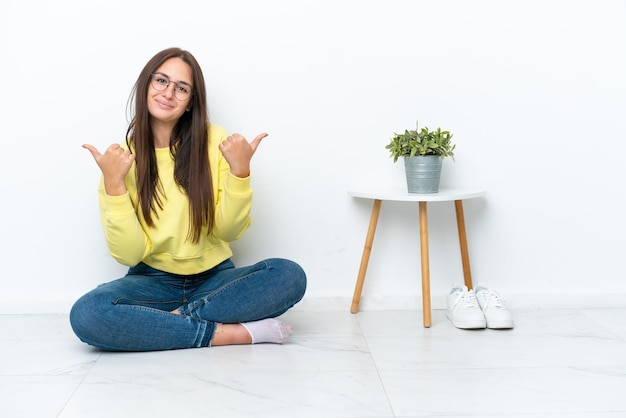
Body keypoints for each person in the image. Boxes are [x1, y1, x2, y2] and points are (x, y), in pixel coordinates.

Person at [70, 47, 307, 351]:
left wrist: (240, 172)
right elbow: (129, 255)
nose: (168, 93)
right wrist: (114, 184)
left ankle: (166, 323)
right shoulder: (120, 157)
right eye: (161, 81)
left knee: (289, 276)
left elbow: (228, 231)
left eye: (181, 88)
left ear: (191, 101)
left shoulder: (218, 142)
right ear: (146, 84)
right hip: (151, 281)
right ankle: (228, 334)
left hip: (214, 280)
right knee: (88, 314)